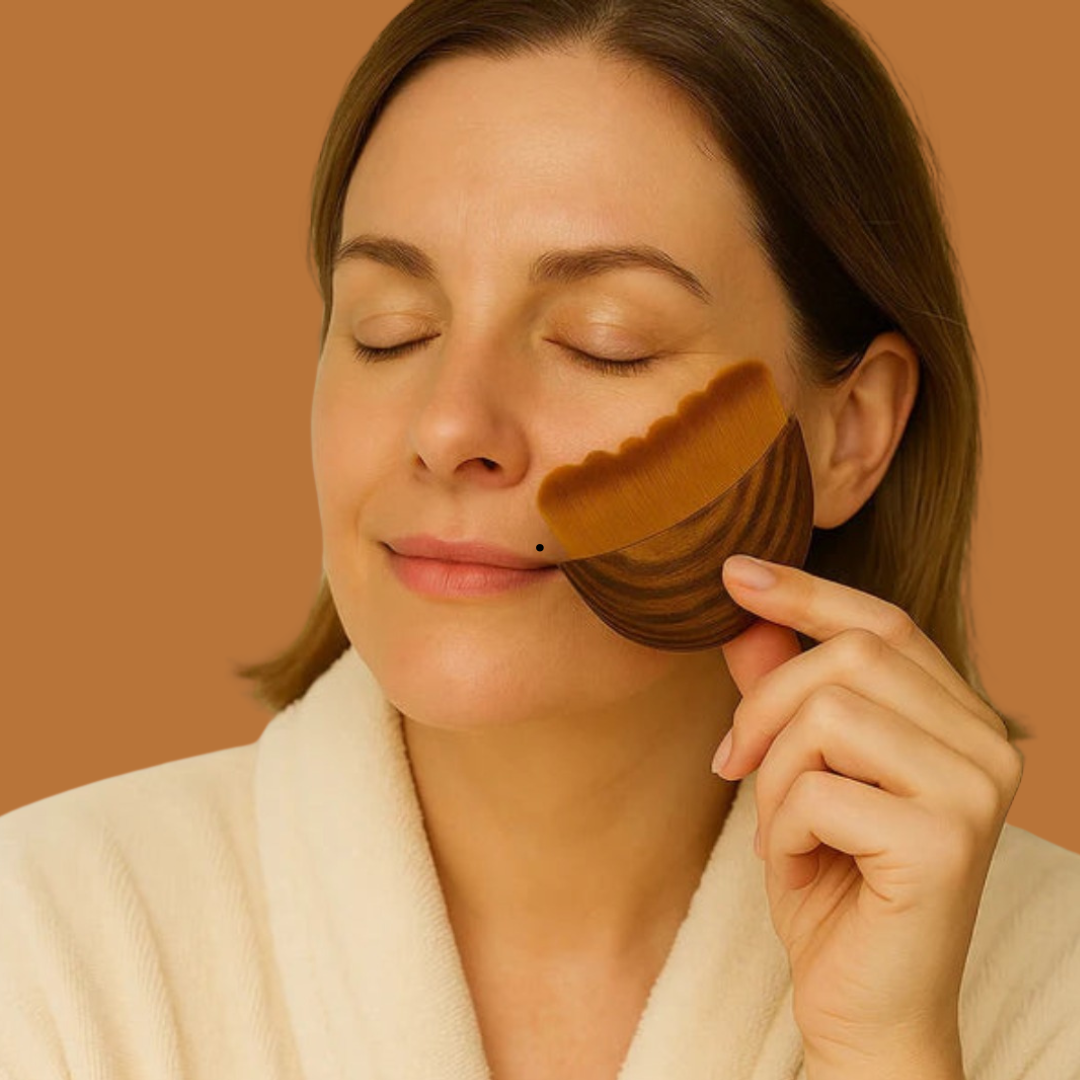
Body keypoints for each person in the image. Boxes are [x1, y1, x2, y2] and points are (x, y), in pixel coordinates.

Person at [2, 1, 1077, 1078]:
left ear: (853, 431)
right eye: (390, 331)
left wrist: (890, 1052)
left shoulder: (1051, 986)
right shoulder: (46, 944)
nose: (448, 427)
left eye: (604, 343)